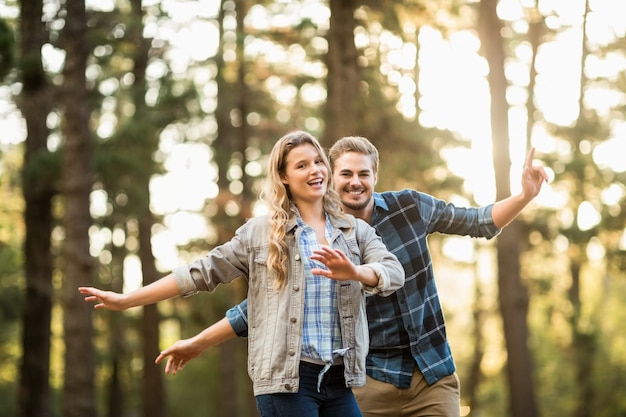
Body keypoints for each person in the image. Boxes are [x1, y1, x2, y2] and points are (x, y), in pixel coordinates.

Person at [155, 136, 549, 417]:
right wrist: (198, 342)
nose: (355, 181)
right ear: (330, 177)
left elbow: (478, 222)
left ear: (375, 176)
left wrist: (525, 196)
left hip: (431, 373)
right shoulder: (315, 237)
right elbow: (255, 308)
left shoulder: (410, 207)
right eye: (345, 173)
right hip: (367, 382)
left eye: (363, 173)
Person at [79, 131, 405, 417]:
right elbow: (199, 272)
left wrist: (357, 272)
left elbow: (392, 271)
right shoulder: (260, 234)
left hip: (340, 379)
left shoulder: (355, 232)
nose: (315, 170)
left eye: (318, 161)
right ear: (284, 177)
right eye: (301, 165)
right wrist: (128, 300)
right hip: (286, 381)